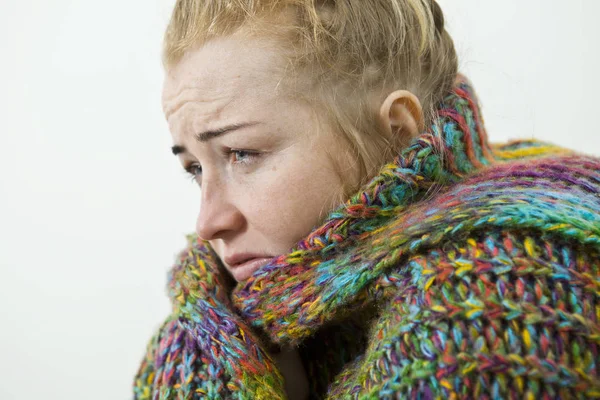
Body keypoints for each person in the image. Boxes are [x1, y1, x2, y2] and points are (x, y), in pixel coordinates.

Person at [134, 1, 600, 398]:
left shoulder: (479, 323)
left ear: (396, 133)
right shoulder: (287, 306)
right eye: (195, 168)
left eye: (242, 154)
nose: (209, 222)